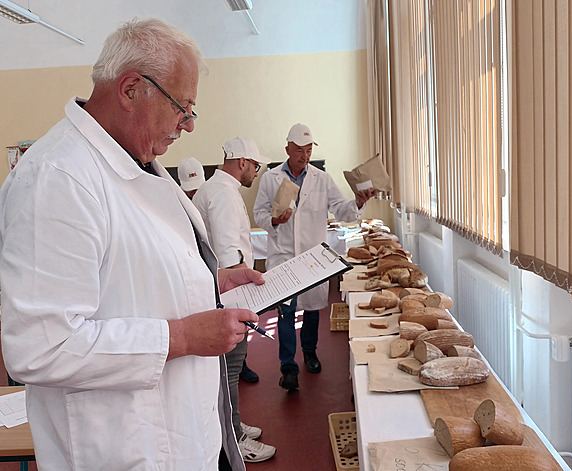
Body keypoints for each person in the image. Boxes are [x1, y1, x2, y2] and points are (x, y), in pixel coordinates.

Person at [0, 18, 262, 471]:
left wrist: (210, 282)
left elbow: (127, 276)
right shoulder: (56, 178)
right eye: (184, 107)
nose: (188, 125)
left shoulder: (137, 163)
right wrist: (180, 337)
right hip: (122, 449)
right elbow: (40, 346)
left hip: (183, 433)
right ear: (130, 90)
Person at [253, 123, 377, 391]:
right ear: (288, 149)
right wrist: (273, 219)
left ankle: (310, 352)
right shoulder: (270, 178)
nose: (304, 155)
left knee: (311, 311)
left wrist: (358, 202)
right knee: (286, 312)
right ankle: (288, 368)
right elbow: (259, 213)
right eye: (299, 150)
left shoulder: (321, 179)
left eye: (309, 150)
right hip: (284, 256)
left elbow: (342, 209)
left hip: (312, 257)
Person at [193, 137, 276, 463]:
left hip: (219, 295)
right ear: (242, 162)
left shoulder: (216, 190)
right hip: (228, 298)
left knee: (228, 371)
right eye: (255, 166)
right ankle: (234, 439)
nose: (256, 172)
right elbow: (230, 261)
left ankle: (234, 424)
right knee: (229, 371)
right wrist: (262, 294)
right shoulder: (224, 195)